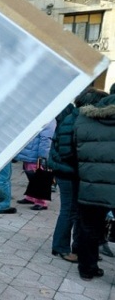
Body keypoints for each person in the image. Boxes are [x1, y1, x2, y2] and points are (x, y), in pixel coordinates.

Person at [49, 87, 108, 263]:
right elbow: (68, 152)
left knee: (74, 211)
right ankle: (61, 247)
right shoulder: (74, 120)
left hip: (70, 171)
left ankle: (75, 247)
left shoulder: (77, 118)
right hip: (67, 172)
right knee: (69, 210)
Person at [72, 92, 115, 280]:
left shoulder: (84, 119)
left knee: (88, 228)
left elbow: (71, 151)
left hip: (90, 184)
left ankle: (87, 269)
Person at [15, 120, 57, 210]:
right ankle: (31, 197)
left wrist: (42, 156)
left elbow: (46, 139)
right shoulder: (41, 116)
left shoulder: (49, 120)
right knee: (31, 175)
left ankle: (41, 202)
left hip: (35, 154)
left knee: (38, 177)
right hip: (29, 152)